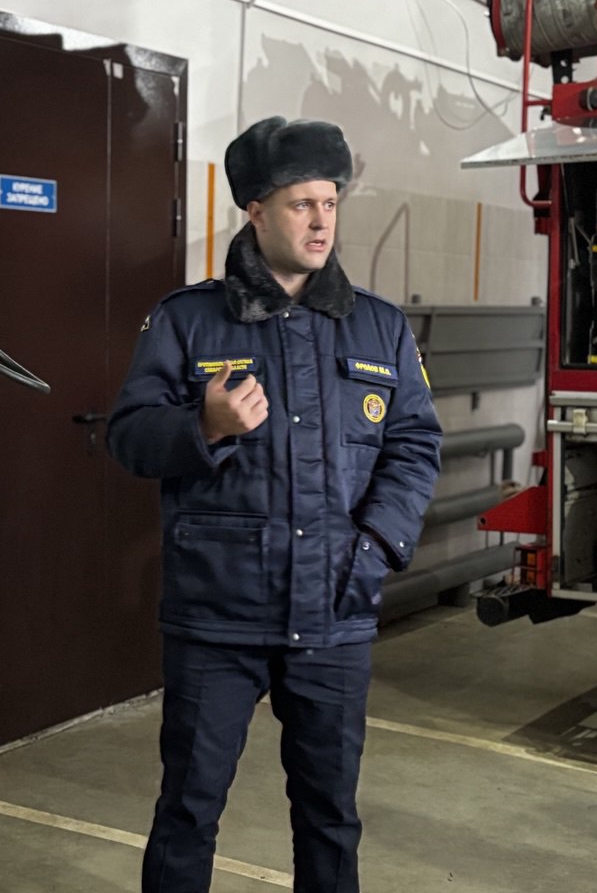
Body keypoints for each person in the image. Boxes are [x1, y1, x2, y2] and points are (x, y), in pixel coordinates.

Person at [106, 116, 442, 893]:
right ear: (256, 211)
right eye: (301, 204)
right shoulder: (188, 320)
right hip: (217, 617)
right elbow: (127, 437)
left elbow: (414, 445)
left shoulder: (379, 327)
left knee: (330, 816)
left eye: (331, 203)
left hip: (334, 611)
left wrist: (375, 549)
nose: (321, 221)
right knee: (188, 811)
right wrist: (203, 426)